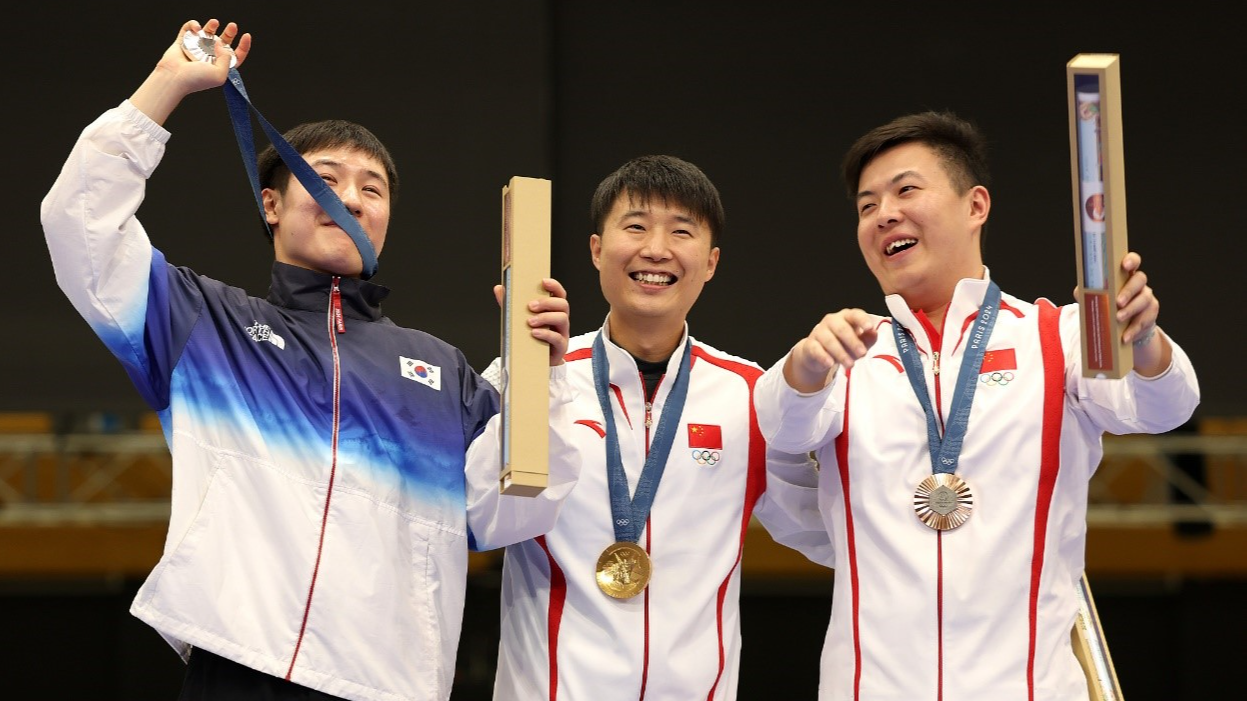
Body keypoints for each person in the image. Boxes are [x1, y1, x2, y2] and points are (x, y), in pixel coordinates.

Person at [41, 18, 580, 701]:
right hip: (238, 666)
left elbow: (504, 512)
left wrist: (545, 379)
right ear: (271, 202)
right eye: (325, 178)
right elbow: (77, 226)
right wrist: (169, 83)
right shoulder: (204, 323)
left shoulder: (441, 371)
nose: (350, 197)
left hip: (387, 682)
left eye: (372, 188)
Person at [753, 110, 1200, 699]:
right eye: (866, 206)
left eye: (905, 189)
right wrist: (807, 372)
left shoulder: (1058, 337)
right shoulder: (843, 350)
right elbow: (777, 435)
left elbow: (1164, 406)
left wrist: (1142, 340)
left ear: (976, 206)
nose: (884, 213)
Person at [471, 154, 833, 700]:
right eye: (636, 226)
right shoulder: (528, 374)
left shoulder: (748, 395)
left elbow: (827, 531)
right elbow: (482, 525)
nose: (656, 249)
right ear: (596, 249)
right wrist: (540, 386)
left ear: (710, 262)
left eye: (681, 232)